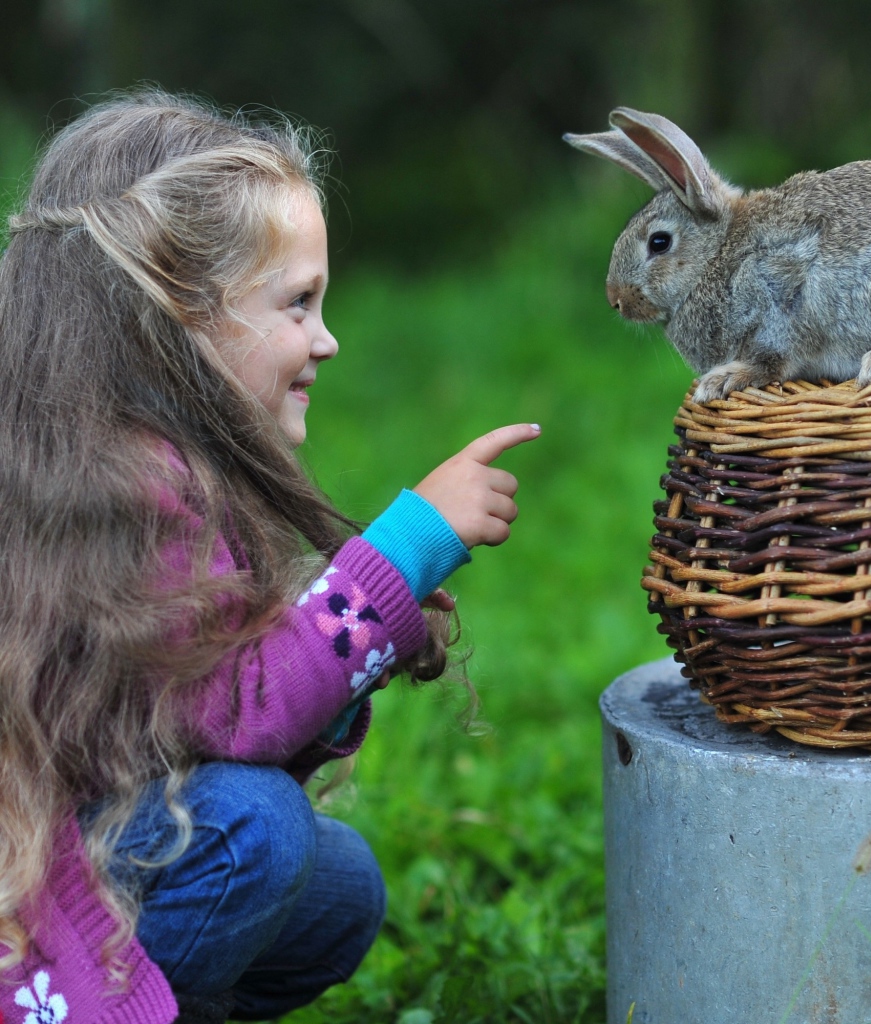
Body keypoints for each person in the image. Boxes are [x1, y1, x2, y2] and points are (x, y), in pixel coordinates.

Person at [0, 90, 540, 1024]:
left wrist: (348, 611)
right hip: (28, 894)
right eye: (299, 304)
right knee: (257, 832)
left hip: (70, 852)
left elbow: (189, 723)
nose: (326, 340)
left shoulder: (109, 461)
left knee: (339, 890)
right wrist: (401, 556)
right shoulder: (129, 481)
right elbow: (239, 714)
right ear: (178, 312)